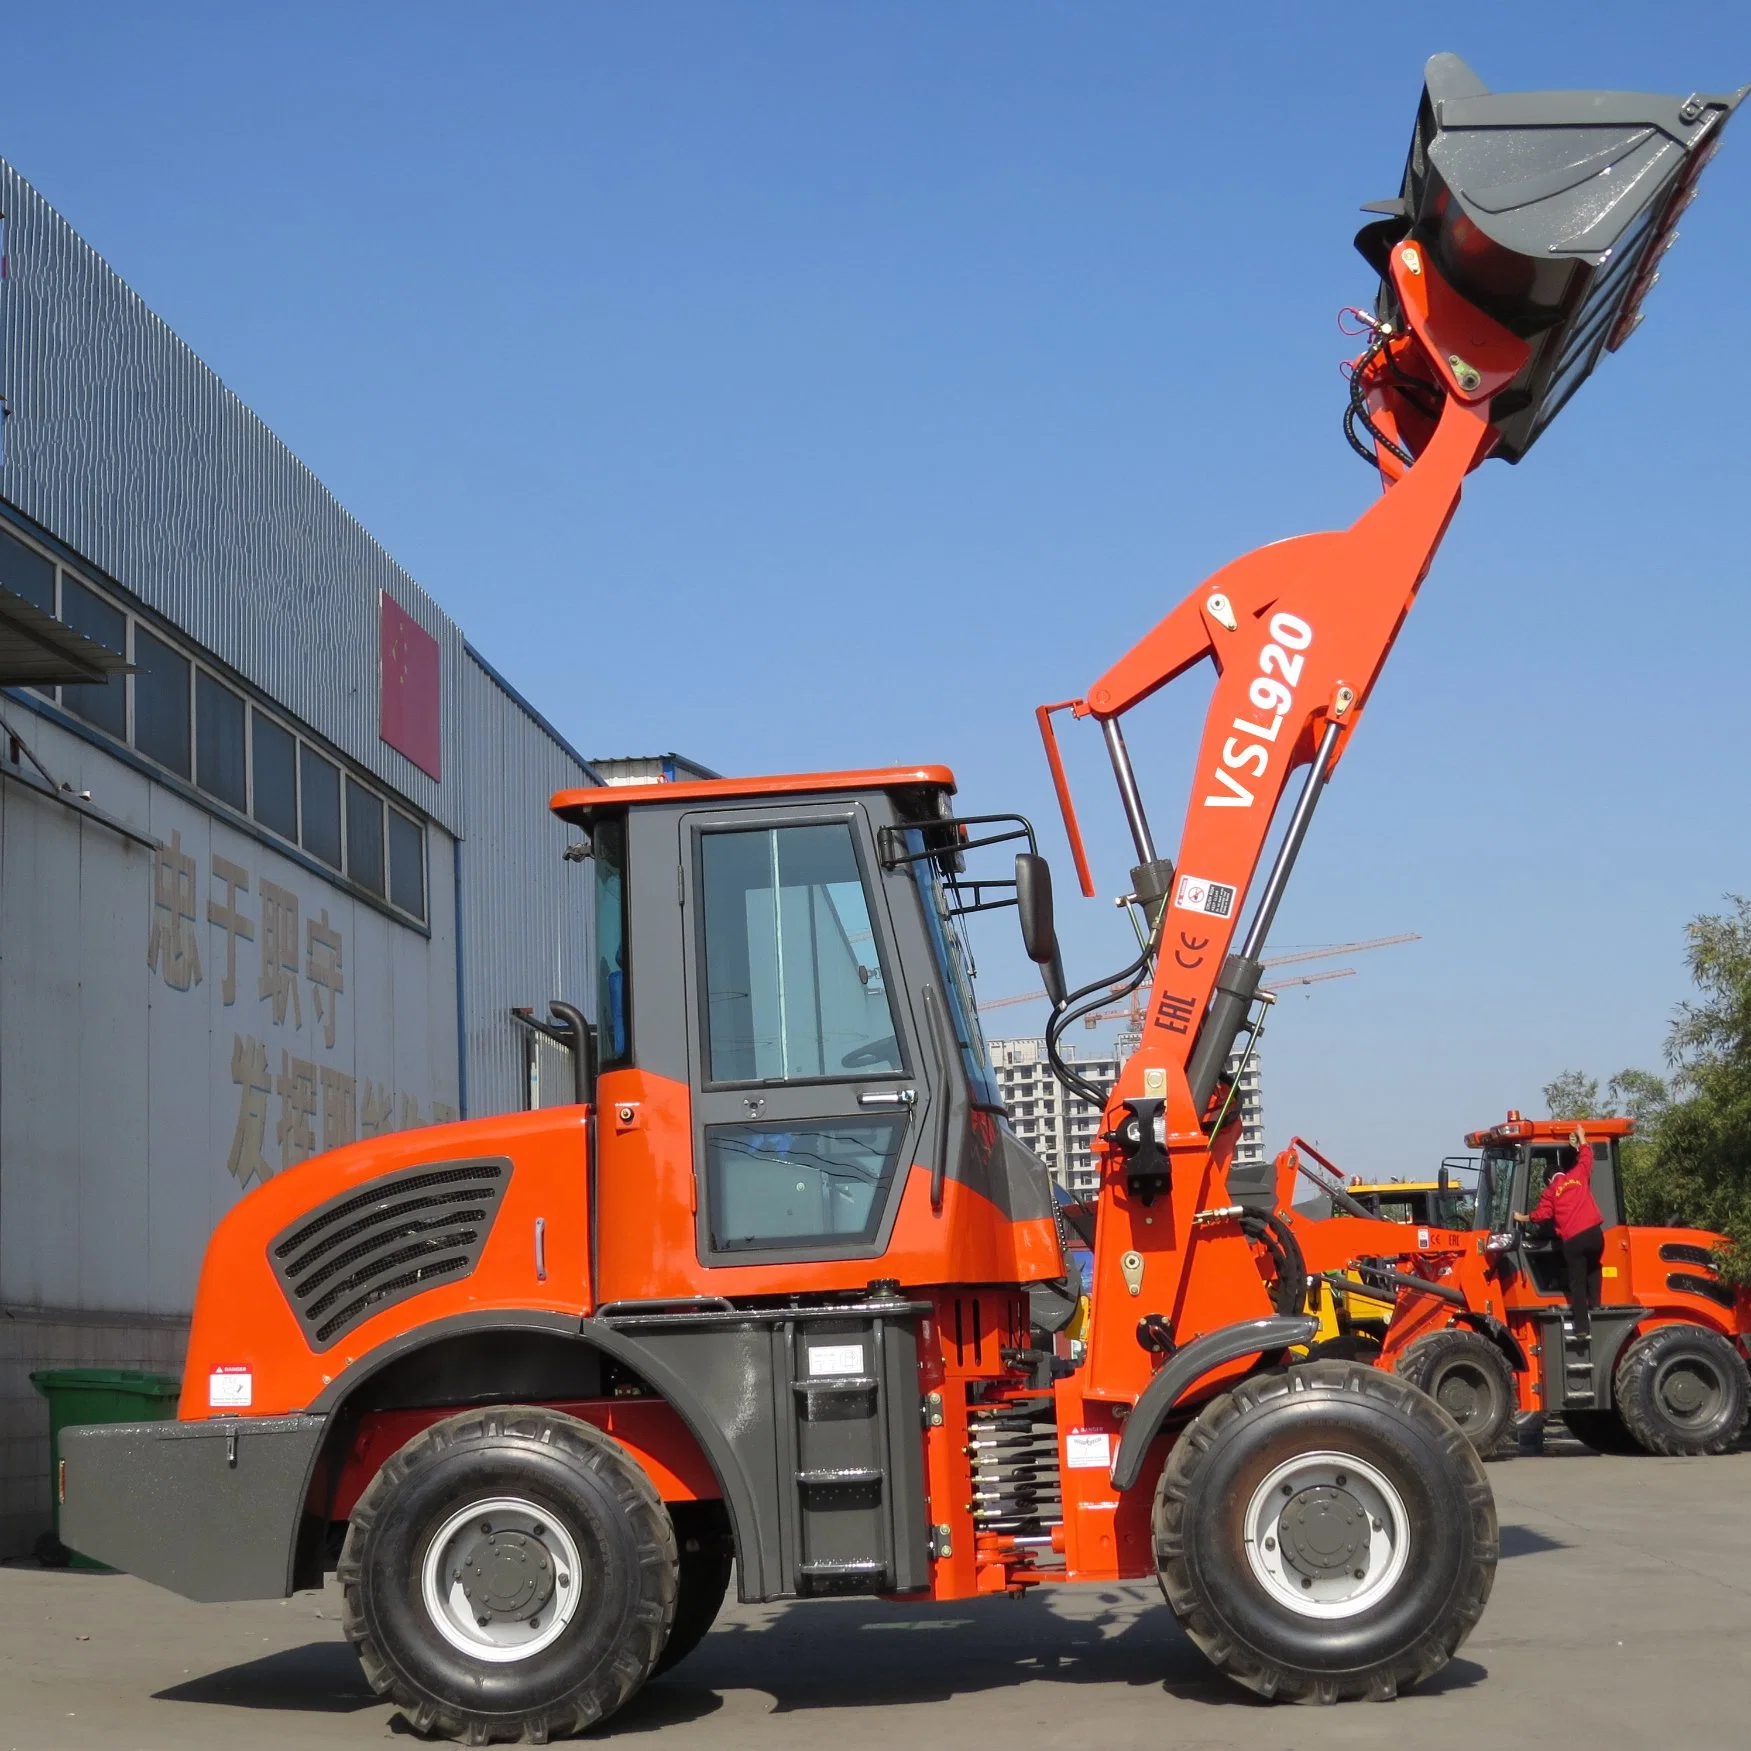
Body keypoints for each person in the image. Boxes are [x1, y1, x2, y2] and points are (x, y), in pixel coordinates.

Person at [1516, 1126, 1606, 1336]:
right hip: (1595, 1235)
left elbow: (1542, 1215)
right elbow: (1586, 1156)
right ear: (1562, 1173)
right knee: (1594, 1267)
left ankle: (1582, 1327)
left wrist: (1523, 1218)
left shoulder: (1550, 1191)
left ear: (1548, 1180)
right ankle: (1597, 1307)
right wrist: (1583, 1135)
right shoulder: (1577, 1175)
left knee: (1577, 1282)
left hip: (1573, 1240)